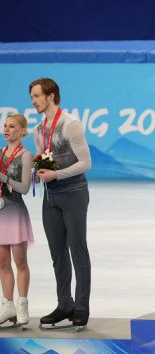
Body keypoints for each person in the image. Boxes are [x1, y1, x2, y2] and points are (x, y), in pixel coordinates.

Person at [29, 78, 92, 330]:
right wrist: (40, 170)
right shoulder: (38, 130)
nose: (33, 101)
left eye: (36, 96)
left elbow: (85, 163)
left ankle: (82, 306)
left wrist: (57, 175)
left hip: (74, 192)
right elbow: (47, 161)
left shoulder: (70, 125)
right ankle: (65, 304)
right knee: (57, 254)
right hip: (50, 196)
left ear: (51, 96)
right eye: (32, 96)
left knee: (78, 250)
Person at [0, 114, 34, 327]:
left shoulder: (26, 155)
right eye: (5, 126)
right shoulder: (0, 154)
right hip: (1, 213)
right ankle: (8, 305)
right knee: (2, 263)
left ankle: (22, 304)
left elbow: (24, 188)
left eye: (12, 126)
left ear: (22, 131)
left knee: (20, 262)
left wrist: (4, 178)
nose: (6, 129)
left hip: (15, 212)